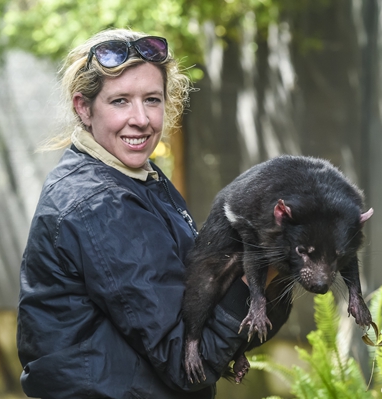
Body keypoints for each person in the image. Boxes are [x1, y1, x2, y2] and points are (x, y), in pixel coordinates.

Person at [16, 28, 284, 399]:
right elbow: (186, 362)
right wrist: (265, 266)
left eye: (152, 99)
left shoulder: (139, 178)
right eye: (121, 101)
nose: (141, 119)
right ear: (83, 107)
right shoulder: (100, 203)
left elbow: (193, 303)